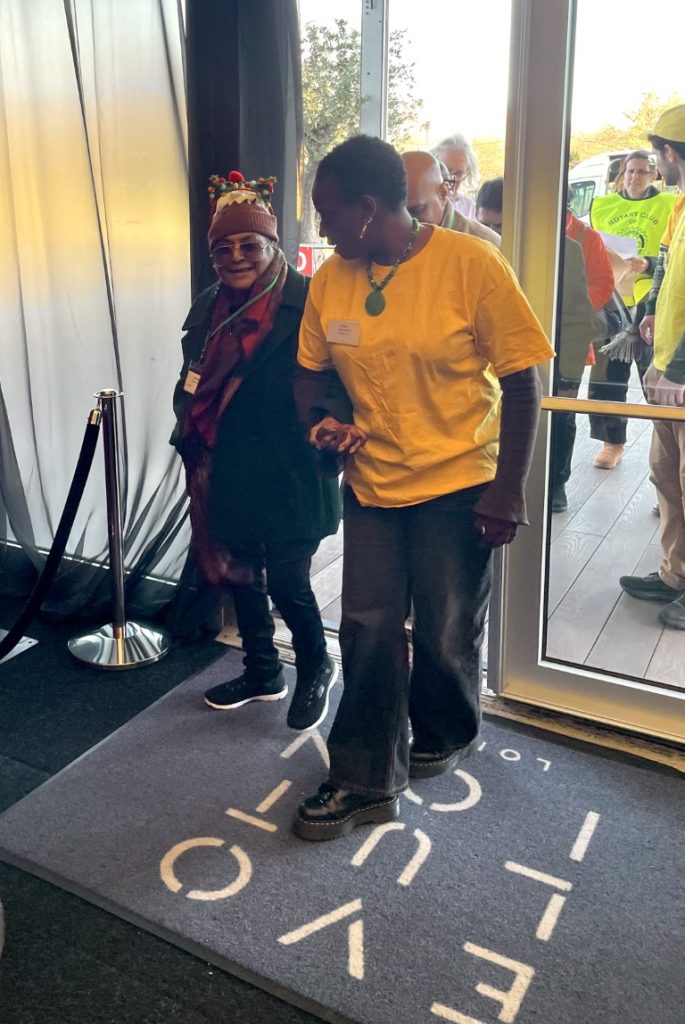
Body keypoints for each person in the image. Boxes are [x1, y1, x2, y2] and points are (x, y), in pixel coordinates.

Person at [291, 135, 554, 841]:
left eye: (327, 212)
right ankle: (363, 778)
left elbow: (522, 383)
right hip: (373, 484)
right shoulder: (332, 279)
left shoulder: (471, 264)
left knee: (444, 624)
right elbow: (310, 373)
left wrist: (507, 490)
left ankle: (444, 726)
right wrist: (322, 422)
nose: (321, 227)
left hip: (459, 483)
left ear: (368, 208)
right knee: (368, 628)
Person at [170, 171, 340, 730]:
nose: (236, 257)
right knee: (242, 575)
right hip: (229, 466)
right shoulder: (209, 305)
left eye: (250, 244)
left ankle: (315, 666)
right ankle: (263, 671)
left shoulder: (308, 301)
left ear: (273, 244)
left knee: (289, 582)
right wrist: (188, 429)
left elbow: (341, 381)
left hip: (293, 466)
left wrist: (330, 430)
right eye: (224, 248)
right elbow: (192, 375)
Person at [619, 105, 685, 629]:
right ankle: (674, 573)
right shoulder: (680, 205)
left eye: (656, 157)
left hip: (678, 374)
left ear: (668, 153)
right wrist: (648, 311)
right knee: (667, 473)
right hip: (665, 364)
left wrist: (675, 373)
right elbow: (664, 264)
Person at [588, 149, 677, 469]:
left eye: (641, 171)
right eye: (629, 171)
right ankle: (612, 442)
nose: (634, 177)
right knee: (607, 378)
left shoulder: (670, 204)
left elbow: (672, 252)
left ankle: (668, 446)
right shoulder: (602, 206)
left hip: (651, 302)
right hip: (612, 300)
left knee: (656, 378)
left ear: (653, 175)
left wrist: (648, 263)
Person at [401, 150, 500, 245]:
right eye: (396, 212)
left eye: (416, 210)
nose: (403, 221)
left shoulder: (486, 246)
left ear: (443, 193)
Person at [432, 133, 479, 219]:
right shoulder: (424, 205)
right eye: (446, 170)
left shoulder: (470, 208)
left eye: (459, 173)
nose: (452, 178)